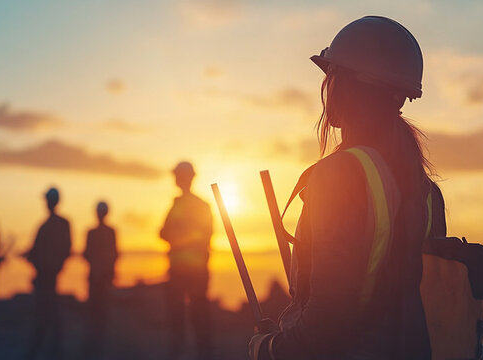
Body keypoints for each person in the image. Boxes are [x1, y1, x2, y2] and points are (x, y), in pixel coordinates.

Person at [248, 16, 434, 359]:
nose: (327, 85)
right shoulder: (424, 188)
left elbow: (328, 318)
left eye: (331, 74)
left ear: (348, 84)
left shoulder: (339, 176)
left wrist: (272, 349)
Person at [160, 161, 214, 360]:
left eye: (177, 175)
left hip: (185, 272)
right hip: (194, 270)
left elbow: (165, 232)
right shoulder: (199, 205)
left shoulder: (181, 206)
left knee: (182, 320)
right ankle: (203, 353)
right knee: (197, 318)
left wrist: (177, 237)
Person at [24, 187, 72, 358]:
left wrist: (49, 265)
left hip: (47, 276)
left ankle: (47, 348)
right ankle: (51, 347)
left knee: (47, 311)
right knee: (48, 311)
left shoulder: (53, 226)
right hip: (46, 275)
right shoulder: (52, 225)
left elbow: (64, 249)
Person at [82, 201, 119, 359]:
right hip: (99, 278)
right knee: (98, 311)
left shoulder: (99, 233)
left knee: (99, 311)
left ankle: (98, 342)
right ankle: (97, 341)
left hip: (100, 278)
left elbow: (88, 254)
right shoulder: (106, 232)